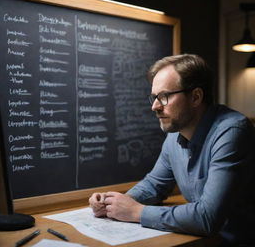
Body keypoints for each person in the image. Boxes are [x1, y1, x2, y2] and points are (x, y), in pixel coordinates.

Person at [89, 54, 255, 246]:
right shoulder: (175, 135)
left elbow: (207, 218)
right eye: (154, 97)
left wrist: (136, 212)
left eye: (164, 96)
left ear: (195, 97)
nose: (154, 106)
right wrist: (113, 203)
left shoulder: (232, 131)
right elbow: (154, 184)